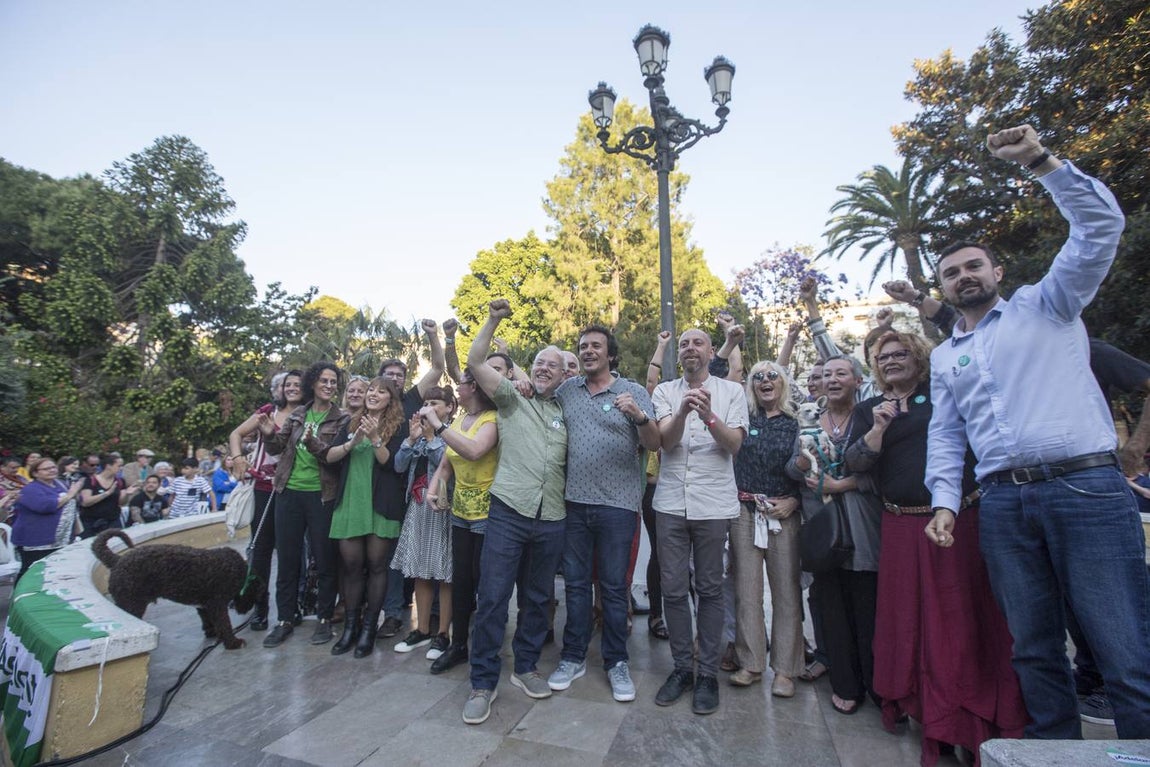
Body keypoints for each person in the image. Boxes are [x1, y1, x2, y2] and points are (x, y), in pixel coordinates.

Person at [924, 124, 1150, 740]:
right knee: (1034, 648)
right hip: (1003, 504)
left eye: (973, 265)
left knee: (1124, 647)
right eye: (951, 272)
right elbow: (946, 436)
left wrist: (1043, 163)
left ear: (997, 270)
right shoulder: (947, 357)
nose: (964, 276)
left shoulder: (1049, 306)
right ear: (942, 288)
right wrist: (945, 502)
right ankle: (1055, 750)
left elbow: (1101, 229)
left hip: (1086, 493)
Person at [846, 330, 1025, 763]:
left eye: (901, 352)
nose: (891, 361)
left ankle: (969, 716)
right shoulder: (869, 408)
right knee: (907, 622)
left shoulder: (941, 392)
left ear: (919, 356)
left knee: (957, 620)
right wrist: (878, 430)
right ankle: (921, 709)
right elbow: (852, 463)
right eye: (883, 356)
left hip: (955, 520)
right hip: (899, 525)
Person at [461, 299, 568, 726]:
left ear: (563, 376)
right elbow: (473, 360)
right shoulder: (509, 400)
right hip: (508, 511)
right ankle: (483, 683)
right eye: (538, 363)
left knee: (538, 598)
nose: (543, 369)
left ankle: (525, 667)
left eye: (552, 366)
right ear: (530, 369)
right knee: (492, 598)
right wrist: (493, 319)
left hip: (553, 516)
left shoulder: (566, 411)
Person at [547, 324, 660, 703]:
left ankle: (616, 662)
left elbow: (655, 442)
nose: (589, 351)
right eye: (583, 346)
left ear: (611, 354)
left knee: (614, 589)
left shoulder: (634, 392)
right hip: (574, 505)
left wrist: (639, 417)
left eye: (596, 346)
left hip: (619, 507)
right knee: (576, 586)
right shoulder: (567, 391)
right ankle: (573, 657)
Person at [650, 328, 747, 716]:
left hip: (712, 504)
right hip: (671, 503)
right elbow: (665, 443)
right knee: (673, 590)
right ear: (680, 356)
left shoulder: (731, 392)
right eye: (685, 344)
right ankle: (681, 669)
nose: (691, 348)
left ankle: (707, 673)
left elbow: (735, 444)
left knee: (709, 589)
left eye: (698, 343)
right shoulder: (664, 393)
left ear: (710, 352)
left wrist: (707, 415)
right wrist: (684, 412)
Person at [787, 355, 883, 716]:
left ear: (858, 381)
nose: (831, 380)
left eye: (841, 373)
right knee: (830, 607)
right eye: (826, 374)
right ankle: (844, 683)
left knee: (867, 606)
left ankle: (878, 684)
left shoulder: (871, 416)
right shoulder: (809, 421)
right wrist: (800, 463)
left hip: (863, 524)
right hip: (822, 527)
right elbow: (791, 471)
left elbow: (888, 469)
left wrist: (843, 483)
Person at [729, 361, 803, 697]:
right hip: (744, 511)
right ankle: (751, 662)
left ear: (783, 383)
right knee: (747, 593)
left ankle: (785, 670)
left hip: (783, 512)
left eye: (772, 375)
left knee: (786, 593)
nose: (765, 381)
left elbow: (809, 467)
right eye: (758, 377)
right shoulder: (744, 419)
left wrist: (795, 501)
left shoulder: (796, 423)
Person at [259, 361, 345, 648]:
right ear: (313, 383)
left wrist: (313, 443)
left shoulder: (340, 419)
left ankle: (323, 618)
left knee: (324, 559)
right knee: (287, 558)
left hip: (321, 494)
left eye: (334, 382)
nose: (329, 386)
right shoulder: (298, 414)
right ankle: (284, 618)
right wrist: (270, 433)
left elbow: (334, 456)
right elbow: (277, 448)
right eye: (324, 380)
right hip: (288, 492)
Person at [375, 319, 449, 640]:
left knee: (433, 560)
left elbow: (436, 366)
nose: (394, 379)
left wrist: (433, 335)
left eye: (399, 375)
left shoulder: (411, 404)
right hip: (390, 488)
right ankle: (396, 612)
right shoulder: (370, 403)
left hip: (421, 493)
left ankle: (433, 622)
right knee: (397, 558)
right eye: (387, 375)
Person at [425, 367, 500, 674]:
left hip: (487, 512)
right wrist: (434, 488)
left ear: (477, 387)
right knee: (461, 583)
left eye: (464, 383)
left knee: (484, 583)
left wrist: (437, 425)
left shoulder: (492, 420)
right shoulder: (459, 420)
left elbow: (472, 450)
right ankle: (458, 646)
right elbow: (447, 463)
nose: (458, 387)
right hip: (459, 512)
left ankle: (484, 647)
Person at [325, 376, 406, 658]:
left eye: (381, 391)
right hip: (350, 500)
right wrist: (352, 442)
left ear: (390, 400)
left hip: (380, 503)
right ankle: (351, 627)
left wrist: (374, 438)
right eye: (371, 389)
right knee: (350, 565)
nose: (373, 394)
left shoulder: (399, 426)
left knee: (376, 566)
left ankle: (369, 630)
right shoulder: (350, 421)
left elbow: (394, 465)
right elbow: (329, 456)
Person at [229, 369, 306, 631]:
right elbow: (236, 434)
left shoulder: (307, 414)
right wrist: (239, 459)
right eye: (288, 384)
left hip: (293, 487)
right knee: (260, 550)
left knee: (291, 552)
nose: (293, 388)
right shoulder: (267, 412)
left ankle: (290, 605)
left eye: (298, 384)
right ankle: (258, 609)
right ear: (280, 389)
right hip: (264, 486)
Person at [392, 387, 458, 659]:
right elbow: (398, 466)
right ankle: (421, 629)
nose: (428, 407)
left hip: (444, 508)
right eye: (425, 403)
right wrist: (410, 440)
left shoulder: (453, 433)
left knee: (445, 573)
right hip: (418, 508)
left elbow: (447, 469)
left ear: (450, 407)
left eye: (435, 403)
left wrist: (432, 437)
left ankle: (443, 633)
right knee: (420, 570)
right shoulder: (418, 434)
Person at [11, 457, 83, 579]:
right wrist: (70, 494)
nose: (51, 470)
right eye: (46, 469)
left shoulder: (60, 484)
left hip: (60, 540)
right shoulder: (31, 489)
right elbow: (45, 506)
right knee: (31, 572)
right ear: (35, 473)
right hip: (36, 540)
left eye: (53, 467)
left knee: (53, 572)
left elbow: (76, 501)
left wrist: (73, 494)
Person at [78, 453, 136, 537]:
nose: (121, 468)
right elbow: (85, 502)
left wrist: (127, 494)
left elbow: (121, 502)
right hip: (91, 522)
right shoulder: (91, 480)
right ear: (108, 466)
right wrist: (107, 493)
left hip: (112, 521)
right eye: (119, 466)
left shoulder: (120, 481)